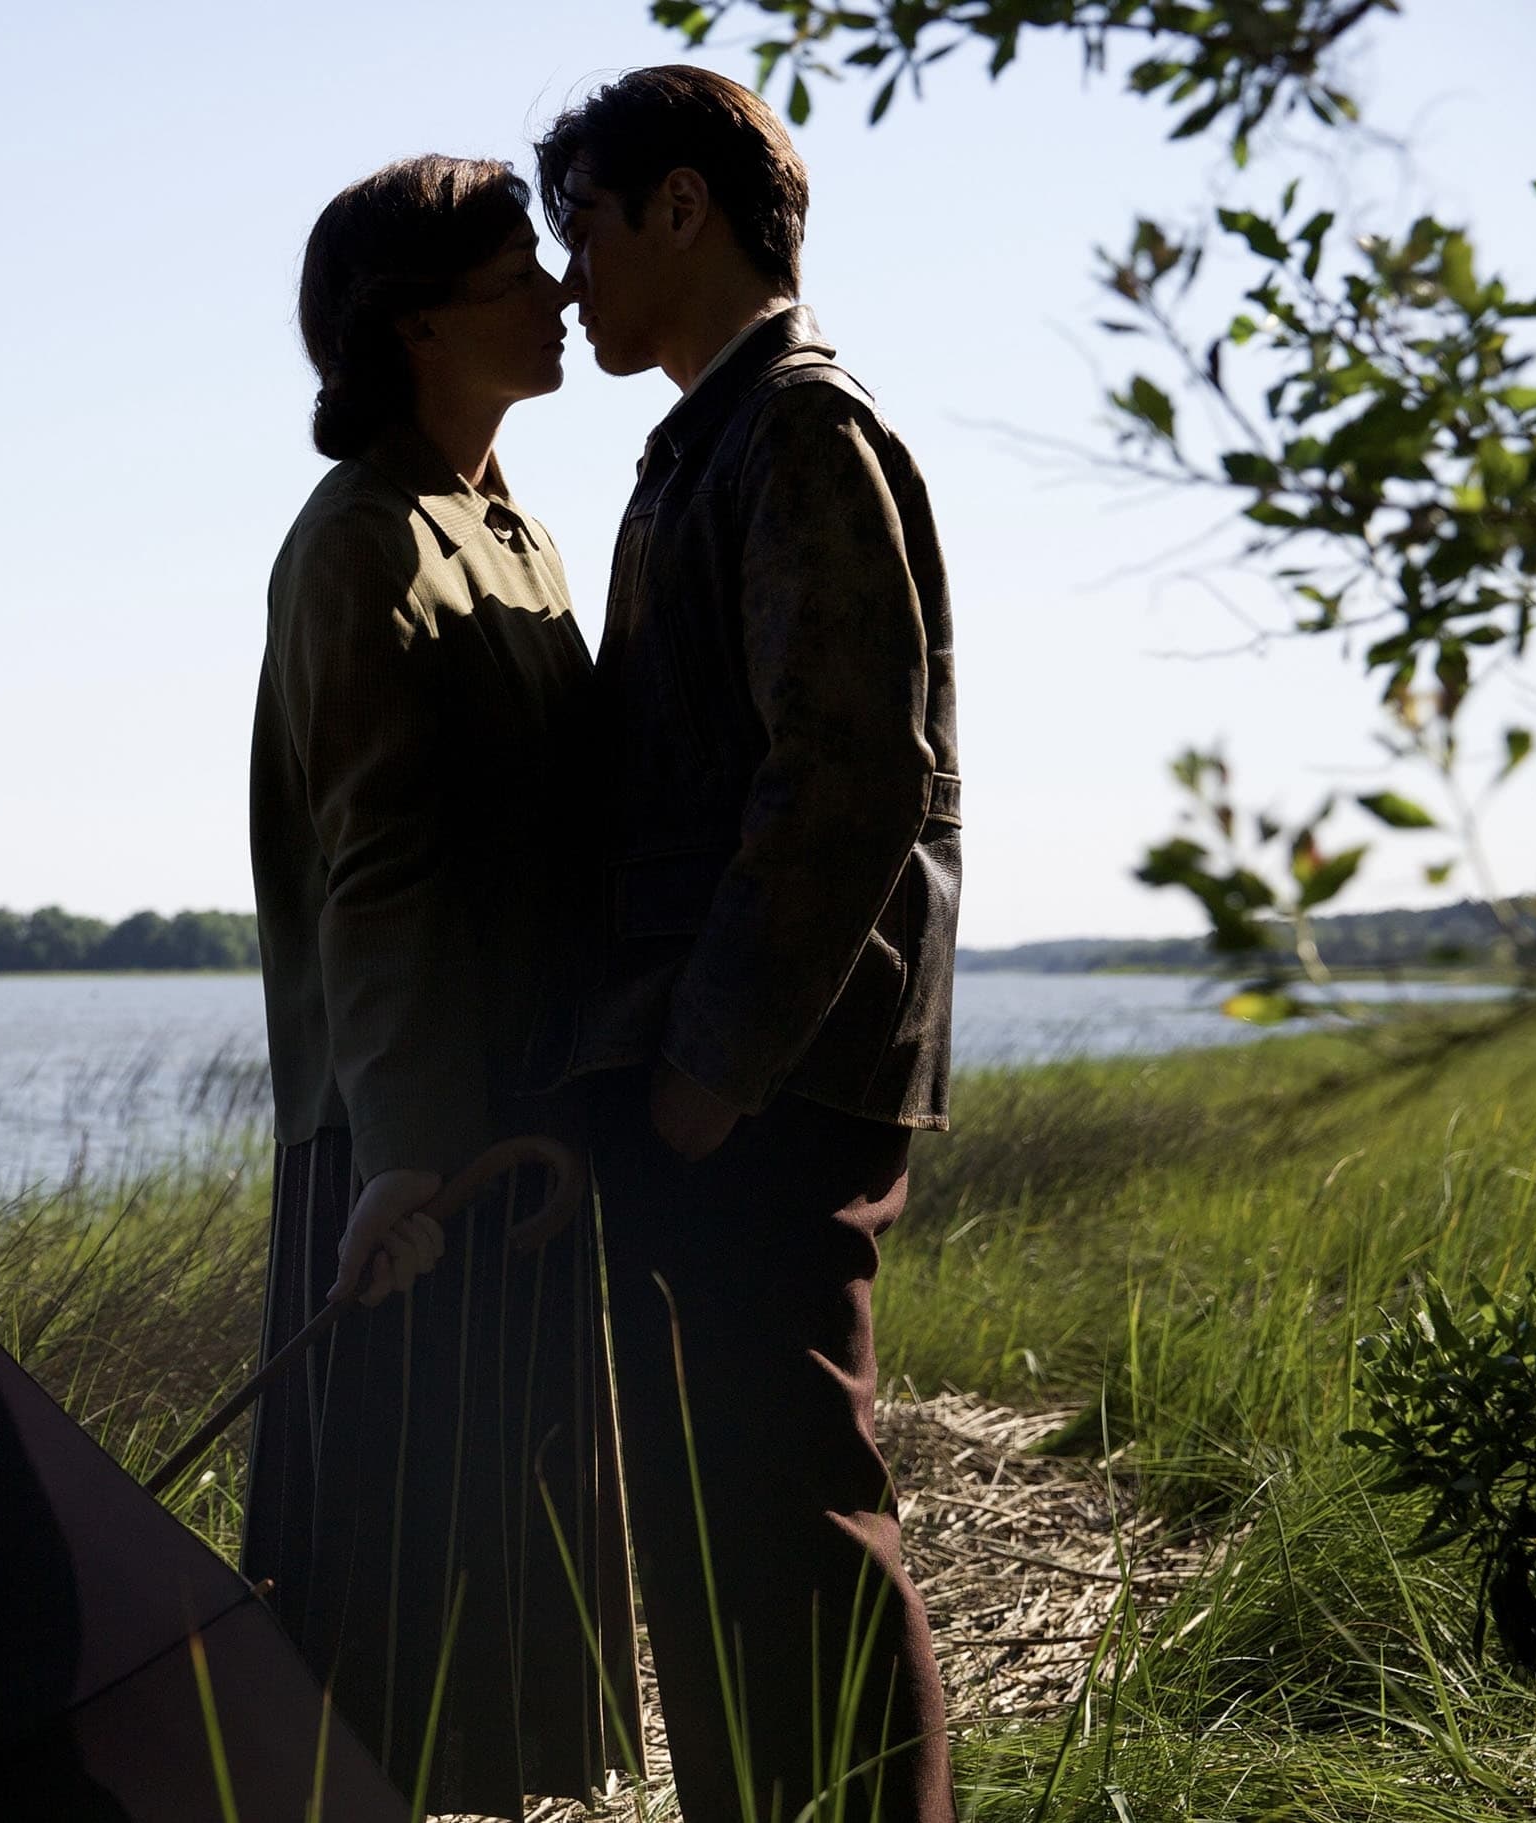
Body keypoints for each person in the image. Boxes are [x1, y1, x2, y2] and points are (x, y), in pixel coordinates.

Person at [532, 67, 962, 1823]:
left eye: (589, 229)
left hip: (767, 1086)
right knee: (719, 1521)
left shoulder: (794, 428)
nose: (567, 281)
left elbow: (851, 775)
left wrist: (711, 1069)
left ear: (684, 209)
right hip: (718, 1076)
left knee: (791, 1505)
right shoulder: (709, 436)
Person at [243, 153, 632, 1818]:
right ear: (413, 326)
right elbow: (374, 873)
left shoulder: (513, 532)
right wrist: (404, 1159)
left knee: (510, 1573)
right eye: (513, 275)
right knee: (400, 1601)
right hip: (409, 1150)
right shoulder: (357, 545)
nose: (557, 293)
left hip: (523, 1126)